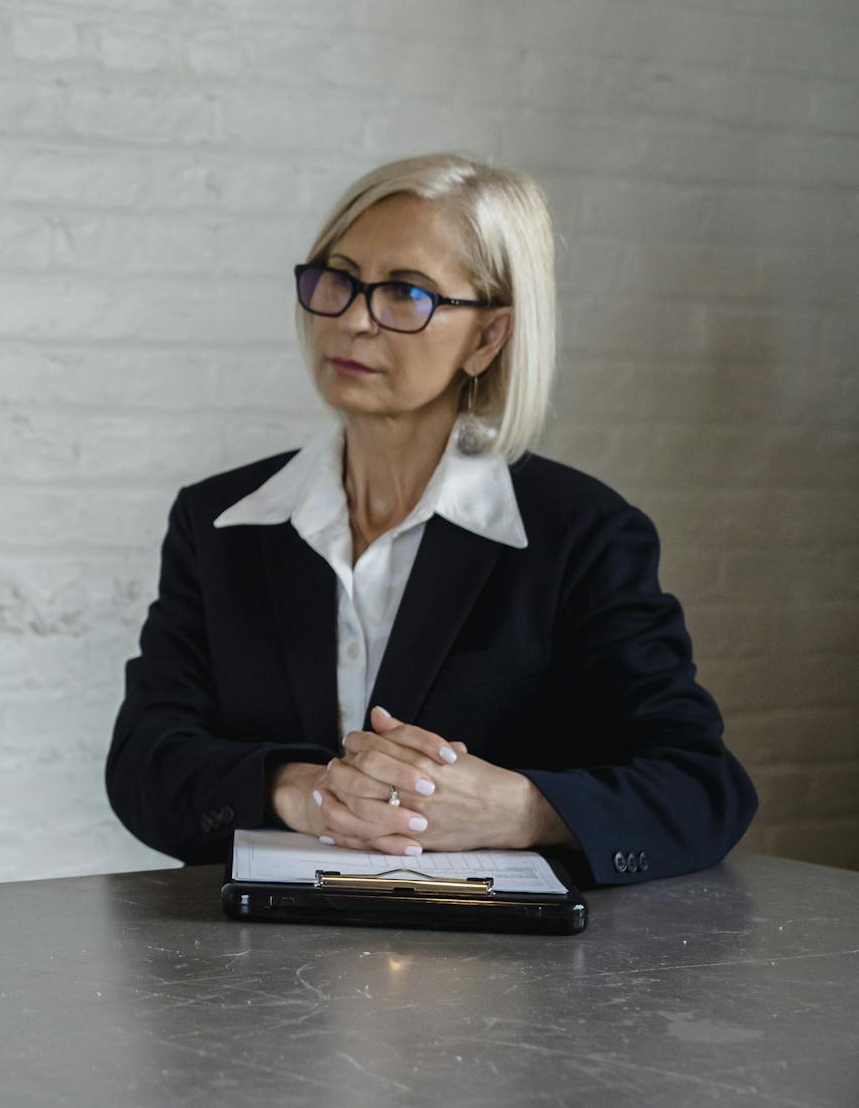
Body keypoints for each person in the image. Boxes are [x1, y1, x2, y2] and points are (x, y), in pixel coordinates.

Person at [106, 153, 756, 885]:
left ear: (488, 338)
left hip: (500, 978)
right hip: (251, 964)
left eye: (406, 293)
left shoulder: (584, 534)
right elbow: (142, 762)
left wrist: (522, 808)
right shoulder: (218, 521)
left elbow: (702, 787)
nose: (352, 319)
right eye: (340, 279)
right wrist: (302, 791)